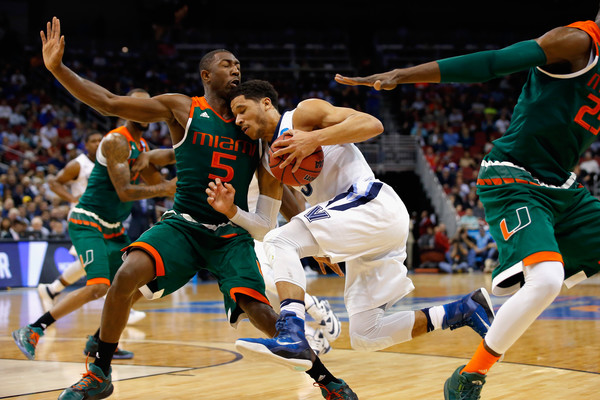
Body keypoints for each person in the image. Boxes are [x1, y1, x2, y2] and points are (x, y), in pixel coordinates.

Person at [38, 18, 350, 400]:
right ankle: (99, 371)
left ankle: (325, 380)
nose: (235, 69)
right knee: (125, 277)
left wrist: (314, 240)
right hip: (183, 226)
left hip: (230, 235)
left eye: (238, 65)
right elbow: (108, 103)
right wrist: (58, 68)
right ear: (206, 74)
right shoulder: (181, 107)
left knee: (260, 311)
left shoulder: (252, 128)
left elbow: (284, 195)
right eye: (226, 64)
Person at [335, 13, 600, 400]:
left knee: (548, 280)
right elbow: (492, 63)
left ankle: (495, 297)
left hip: (562, 184)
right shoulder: (577, 42)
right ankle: (468, 377)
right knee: (546, 280)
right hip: (515, 175)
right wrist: (403, 74)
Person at [205, 80, 495, 396]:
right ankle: (465, 310)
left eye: (242, 110)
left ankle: (292, 333)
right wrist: (232, 210)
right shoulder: (267, 164)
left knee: (281, 242)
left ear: (264, 103)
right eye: (234, 116)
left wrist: (313, 139)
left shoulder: (303, 115)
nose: (239, 121)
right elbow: (264, 225)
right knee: (366, 334)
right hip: (360, 226)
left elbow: (372, 124)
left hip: (372, 202)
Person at [12, 88, 177, 365]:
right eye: (138, 105)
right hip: (87, 222)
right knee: (99, 286)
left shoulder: (143, 147)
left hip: (113, 226)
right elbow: (125, 192)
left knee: (133, 284)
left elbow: (160, 173)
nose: (144, 110)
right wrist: (165, 186)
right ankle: (33, 329)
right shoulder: (116, 141)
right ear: (125, 109)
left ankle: (99, 341)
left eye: (148, 105)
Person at [38, 131, 147, 324]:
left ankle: (51, 289)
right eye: (93, 140)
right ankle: (116, 306)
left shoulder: (113, 158)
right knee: (98, 267)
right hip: (85, 217)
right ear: (85, 145)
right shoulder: (79, 164)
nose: (97, 143)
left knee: (90, 265)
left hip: (104, 219)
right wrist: (72, 198)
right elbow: (54, 182)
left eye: (100, 140)